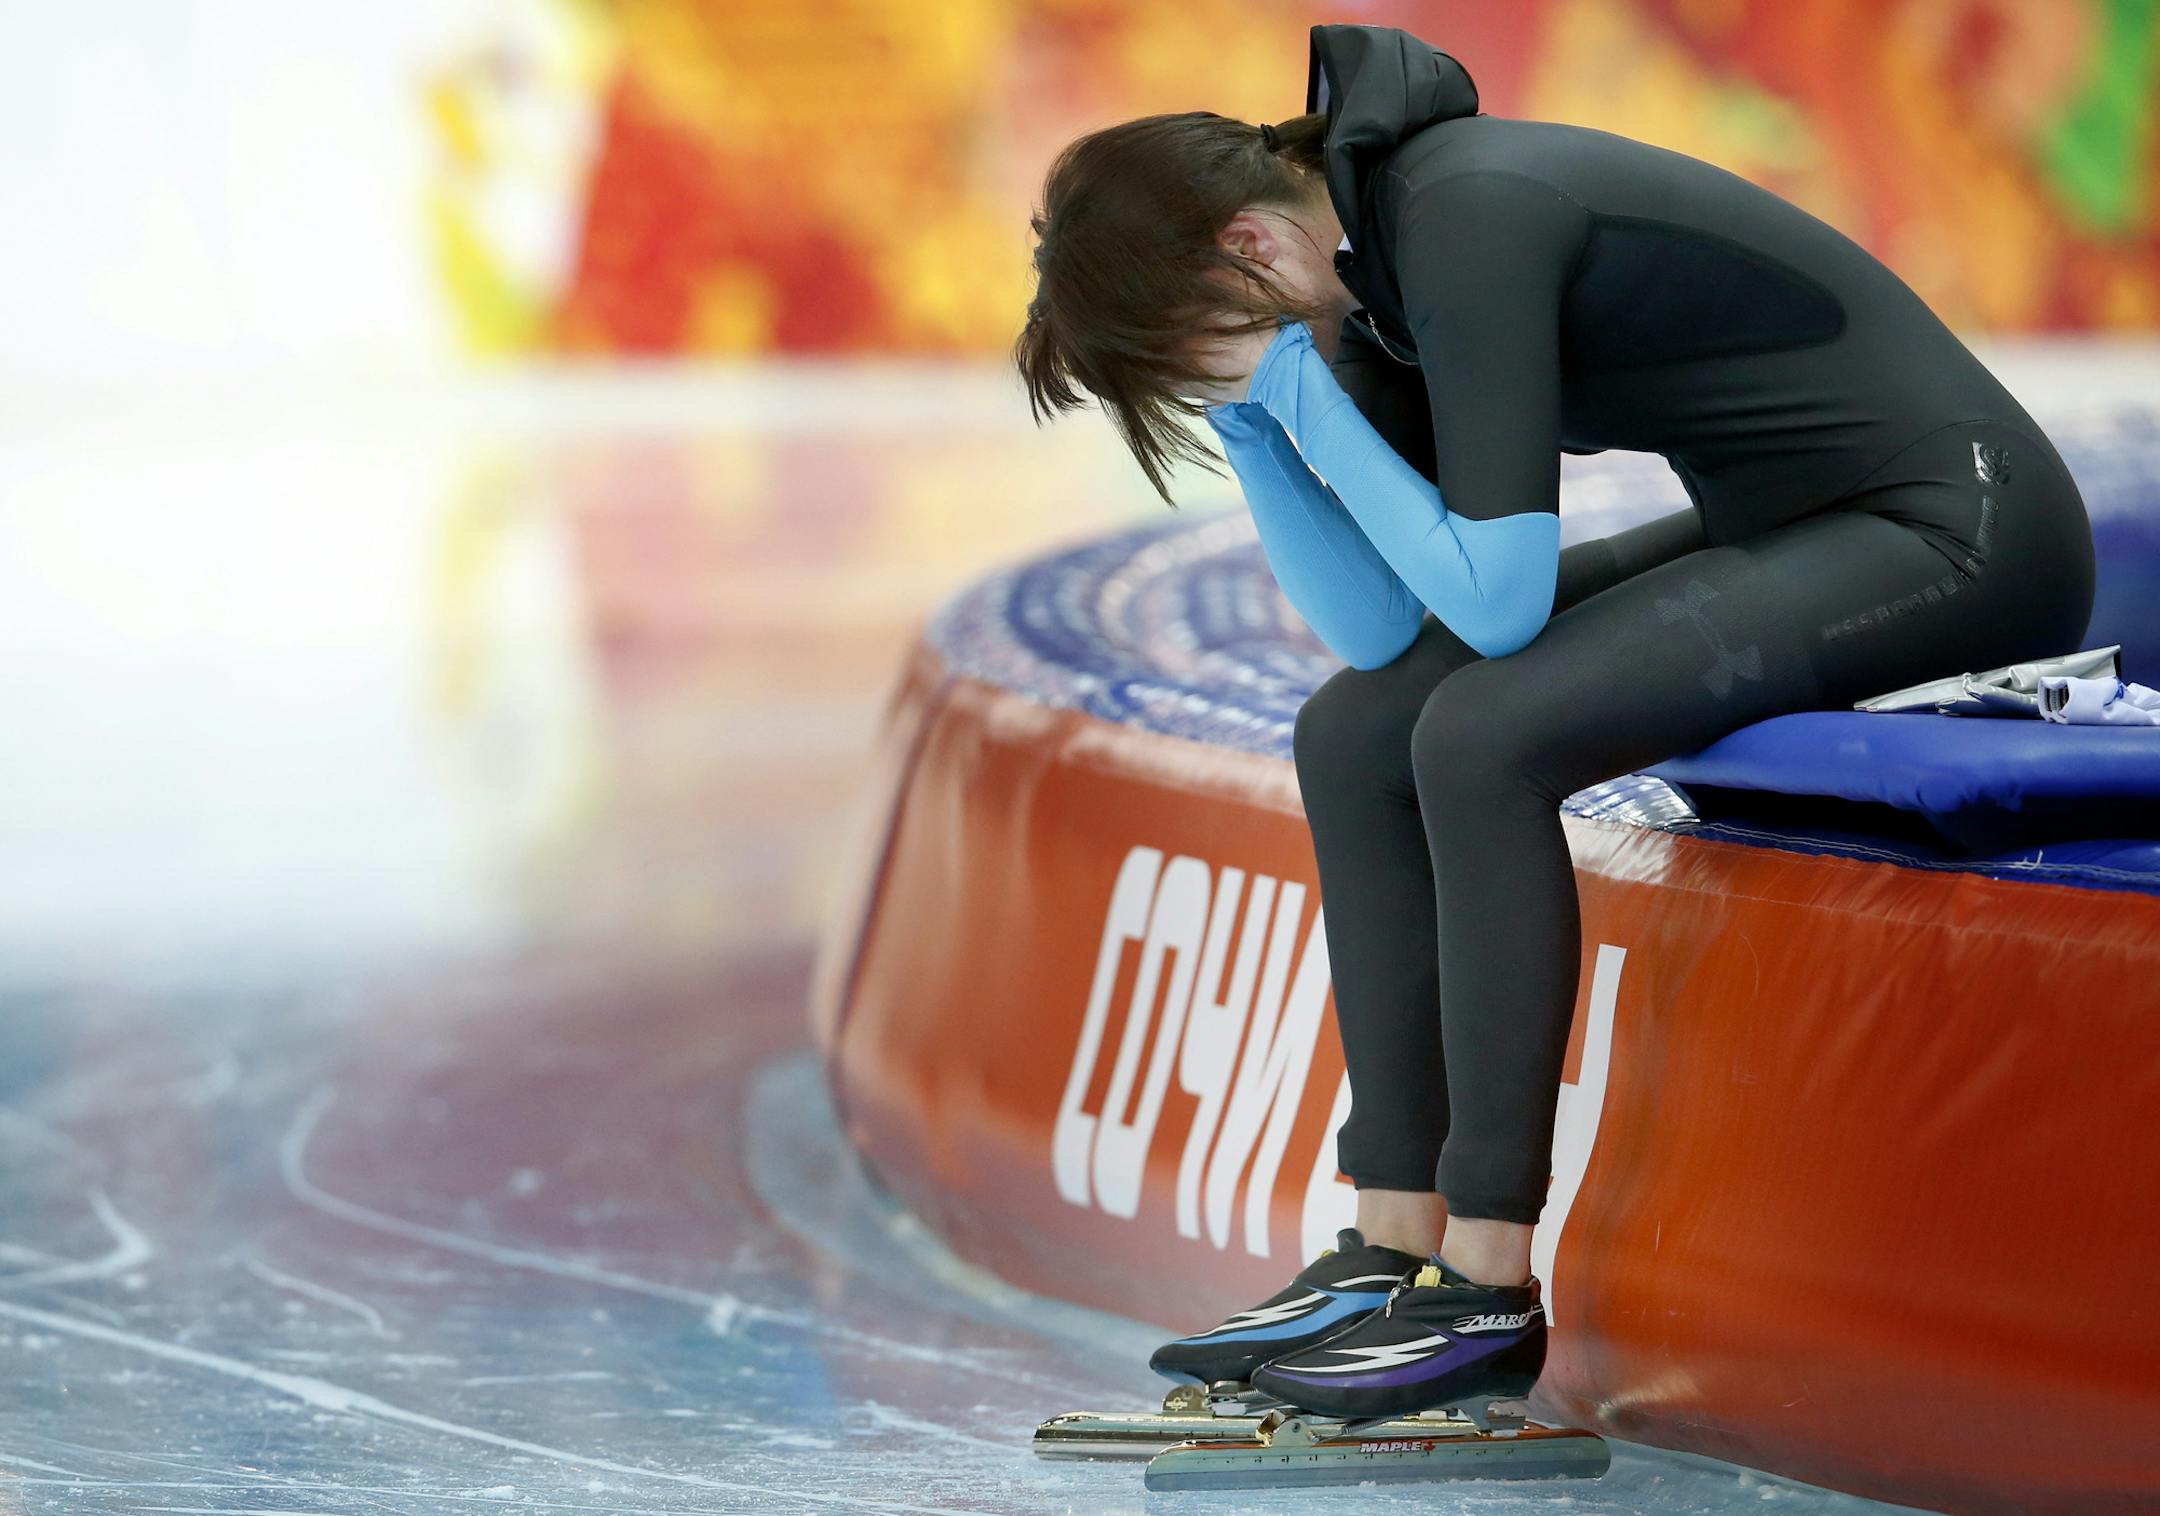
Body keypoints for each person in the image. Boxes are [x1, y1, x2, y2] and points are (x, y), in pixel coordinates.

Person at [1011, 21, 2096, 1427]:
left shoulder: (1462, 214)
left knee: (1482, 737)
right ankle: (1391, 1241)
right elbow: (1382, 633)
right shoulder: (1355, 283)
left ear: (1251, 249)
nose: (1213, 384)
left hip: (1963, 530)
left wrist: (1295, 398)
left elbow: (1500, 598)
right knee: (1353, 733)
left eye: (1193, 361)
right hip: (1796, 526)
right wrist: (1264, 429)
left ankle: (1486, 1280)